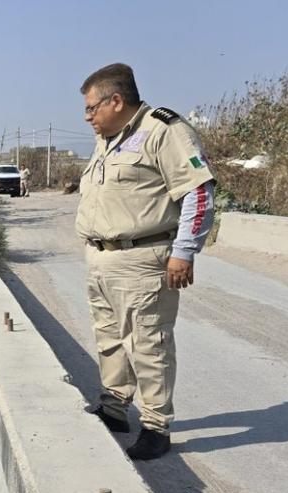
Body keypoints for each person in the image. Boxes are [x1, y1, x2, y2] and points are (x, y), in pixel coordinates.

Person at [75, 63, 216, 460]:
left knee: (149, 343)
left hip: (144, 259)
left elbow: (198, 193)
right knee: (110, 337)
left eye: (91, 108)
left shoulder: (164, 131)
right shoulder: (109, 138)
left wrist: (184, 252)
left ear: (116, 101)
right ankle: (115, 407)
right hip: (103, 259)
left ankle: (156, 425)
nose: (87, 117)